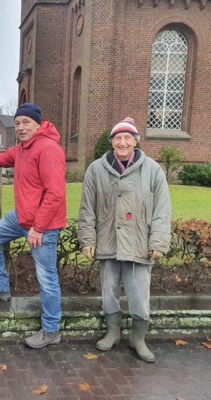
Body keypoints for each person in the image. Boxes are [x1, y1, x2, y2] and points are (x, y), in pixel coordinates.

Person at [0, 103, 67, 349]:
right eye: (18, 122)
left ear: (38, 124)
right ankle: (1, 288)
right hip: (21, 217)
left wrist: (39, 227)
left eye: (26, 122)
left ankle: (51, 329)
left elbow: (56, 193)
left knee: (46, 279)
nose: (21, 127)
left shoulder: (48, 149)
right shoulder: (23, 148)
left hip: (42, 225)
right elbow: (3, 157)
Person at [78, 117, 171, 363]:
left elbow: (163, 208)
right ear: (111, 142)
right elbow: (87, 207)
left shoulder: (152, 169)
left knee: (139, 294)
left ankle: (138, 338)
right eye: (117, 138)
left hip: (139, 243)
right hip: (107, 241)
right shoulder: (96, 169)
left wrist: (159, 242)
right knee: (108, 291)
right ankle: (113, 332)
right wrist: (87, 238)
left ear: (135, 141)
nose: (122, 142)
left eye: (127, 137)